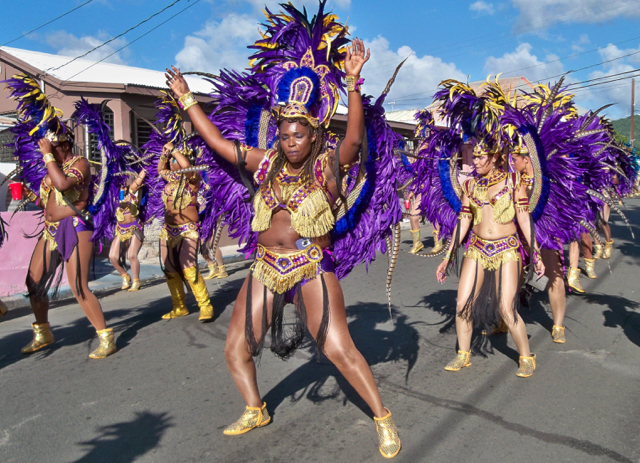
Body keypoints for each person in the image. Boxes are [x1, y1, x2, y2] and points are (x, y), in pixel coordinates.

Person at [166, 21, 401, 457]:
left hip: (311, 265)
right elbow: (218, 143)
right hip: (265, 266)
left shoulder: (330, 166)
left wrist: (352, 82)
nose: (290, 141)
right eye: (285, 132)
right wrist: (186, 99)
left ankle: (383, 418)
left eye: (299, 133)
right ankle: (256, 408)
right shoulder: (267, 162)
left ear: (313, 133)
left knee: (337, 348)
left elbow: (354, 137)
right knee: (236, 348)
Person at [436, 141, 544, 377]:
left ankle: (526, 356)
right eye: (473, 157)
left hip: (507, 249)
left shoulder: (514, 182)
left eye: (480, 157)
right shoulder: (469, 186)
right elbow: (463, 222)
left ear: (495, 158)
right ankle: (463, 354)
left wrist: (535, 253)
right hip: (476, 248)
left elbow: (524, 220)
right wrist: (448, 256)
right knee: (462, 304)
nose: (474, 161)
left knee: (506, 308)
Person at [22, 132, 116, 358]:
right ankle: (43, 332)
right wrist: (33, 196)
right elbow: (51, 201)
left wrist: (47, 157)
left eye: (52, 148)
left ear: (63, 145)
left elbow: (63, 185)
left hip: (76, 227)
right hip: (51, 229)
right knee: (33, 281)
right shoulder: (54, 165)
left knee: (78, 286)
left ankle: (106, 337)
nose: (48, 152)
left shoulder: (80, 163)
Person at [512, 148, 566, 343]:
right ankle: (505, 319)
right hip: (519, 234)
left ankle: (558, 325)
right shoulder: (513, 180)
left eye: (515, 159)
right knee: (511, 279)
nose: (512, 163)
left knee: (554, 277)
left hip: (545, 233)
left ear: (527, 160)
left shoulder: (547, 178)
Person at [157, 141, 214, 322]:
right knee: (169, 268)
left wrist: (175, 150)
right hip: (168, 230)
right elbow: (160, 169)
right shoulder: (170, 179)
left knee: (188, 267)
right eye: (172, 160)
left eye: (175, 160)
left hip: (188, 229)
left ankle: (205, 305)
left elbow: (187, 168)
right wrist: (165, 154)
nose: (172, 163)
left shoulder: (192, 178)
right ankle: (179, 306)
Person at [109, 171, 146, 291]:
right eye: (122, 181)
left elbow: (140, 177)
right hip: (120, 229)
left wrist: (145, 167)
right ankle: (125, 275)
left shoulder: (133, 190)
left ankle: (136, 280)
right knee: (112, 257)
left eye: (126, 180)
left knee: (131, 255)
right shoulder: (115, 194)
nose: (124, 183)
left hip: (135, 227)